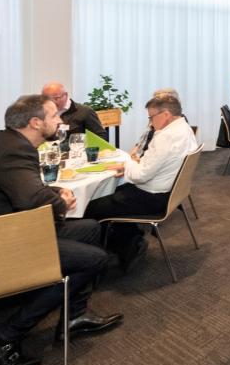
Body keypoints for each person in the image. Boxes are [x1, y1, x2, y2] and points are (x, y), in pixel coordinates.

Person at [0, 95, 122, 365]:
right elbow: (31, 201)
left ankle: (73, 318)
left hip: (12, 225)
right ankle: (7, 334)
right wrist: (61, 202)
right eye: (54, 116)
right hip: (5, 241)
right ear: (35, 122)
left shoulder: (6, 142)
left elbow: (20, 188)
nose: (61, 121)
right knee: (95, 259)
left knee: (90, 228)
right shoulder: (16, 151)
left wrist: (54, 192)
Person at [84, 95, 197, 272]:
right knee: (115, 191)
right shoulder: (184, 129)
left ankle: (116, 250)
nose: (150, 122)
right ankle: (129, 240)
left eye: (151, 117)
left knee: (90, 207)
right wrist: (131, 166)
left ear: (166, 114)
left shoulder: (166, 137)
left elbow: (141, 175)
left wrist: (127, 164)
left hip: (152, 197)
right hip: (167, 192)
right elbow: (147, 169)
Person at [41, 82, 108, 140]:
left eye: (56, 98)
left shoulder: (85, 111)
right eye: (47, 99)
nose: (52, 102)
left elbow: (101, 136)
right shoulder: (41, 112)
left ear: (66, 95)